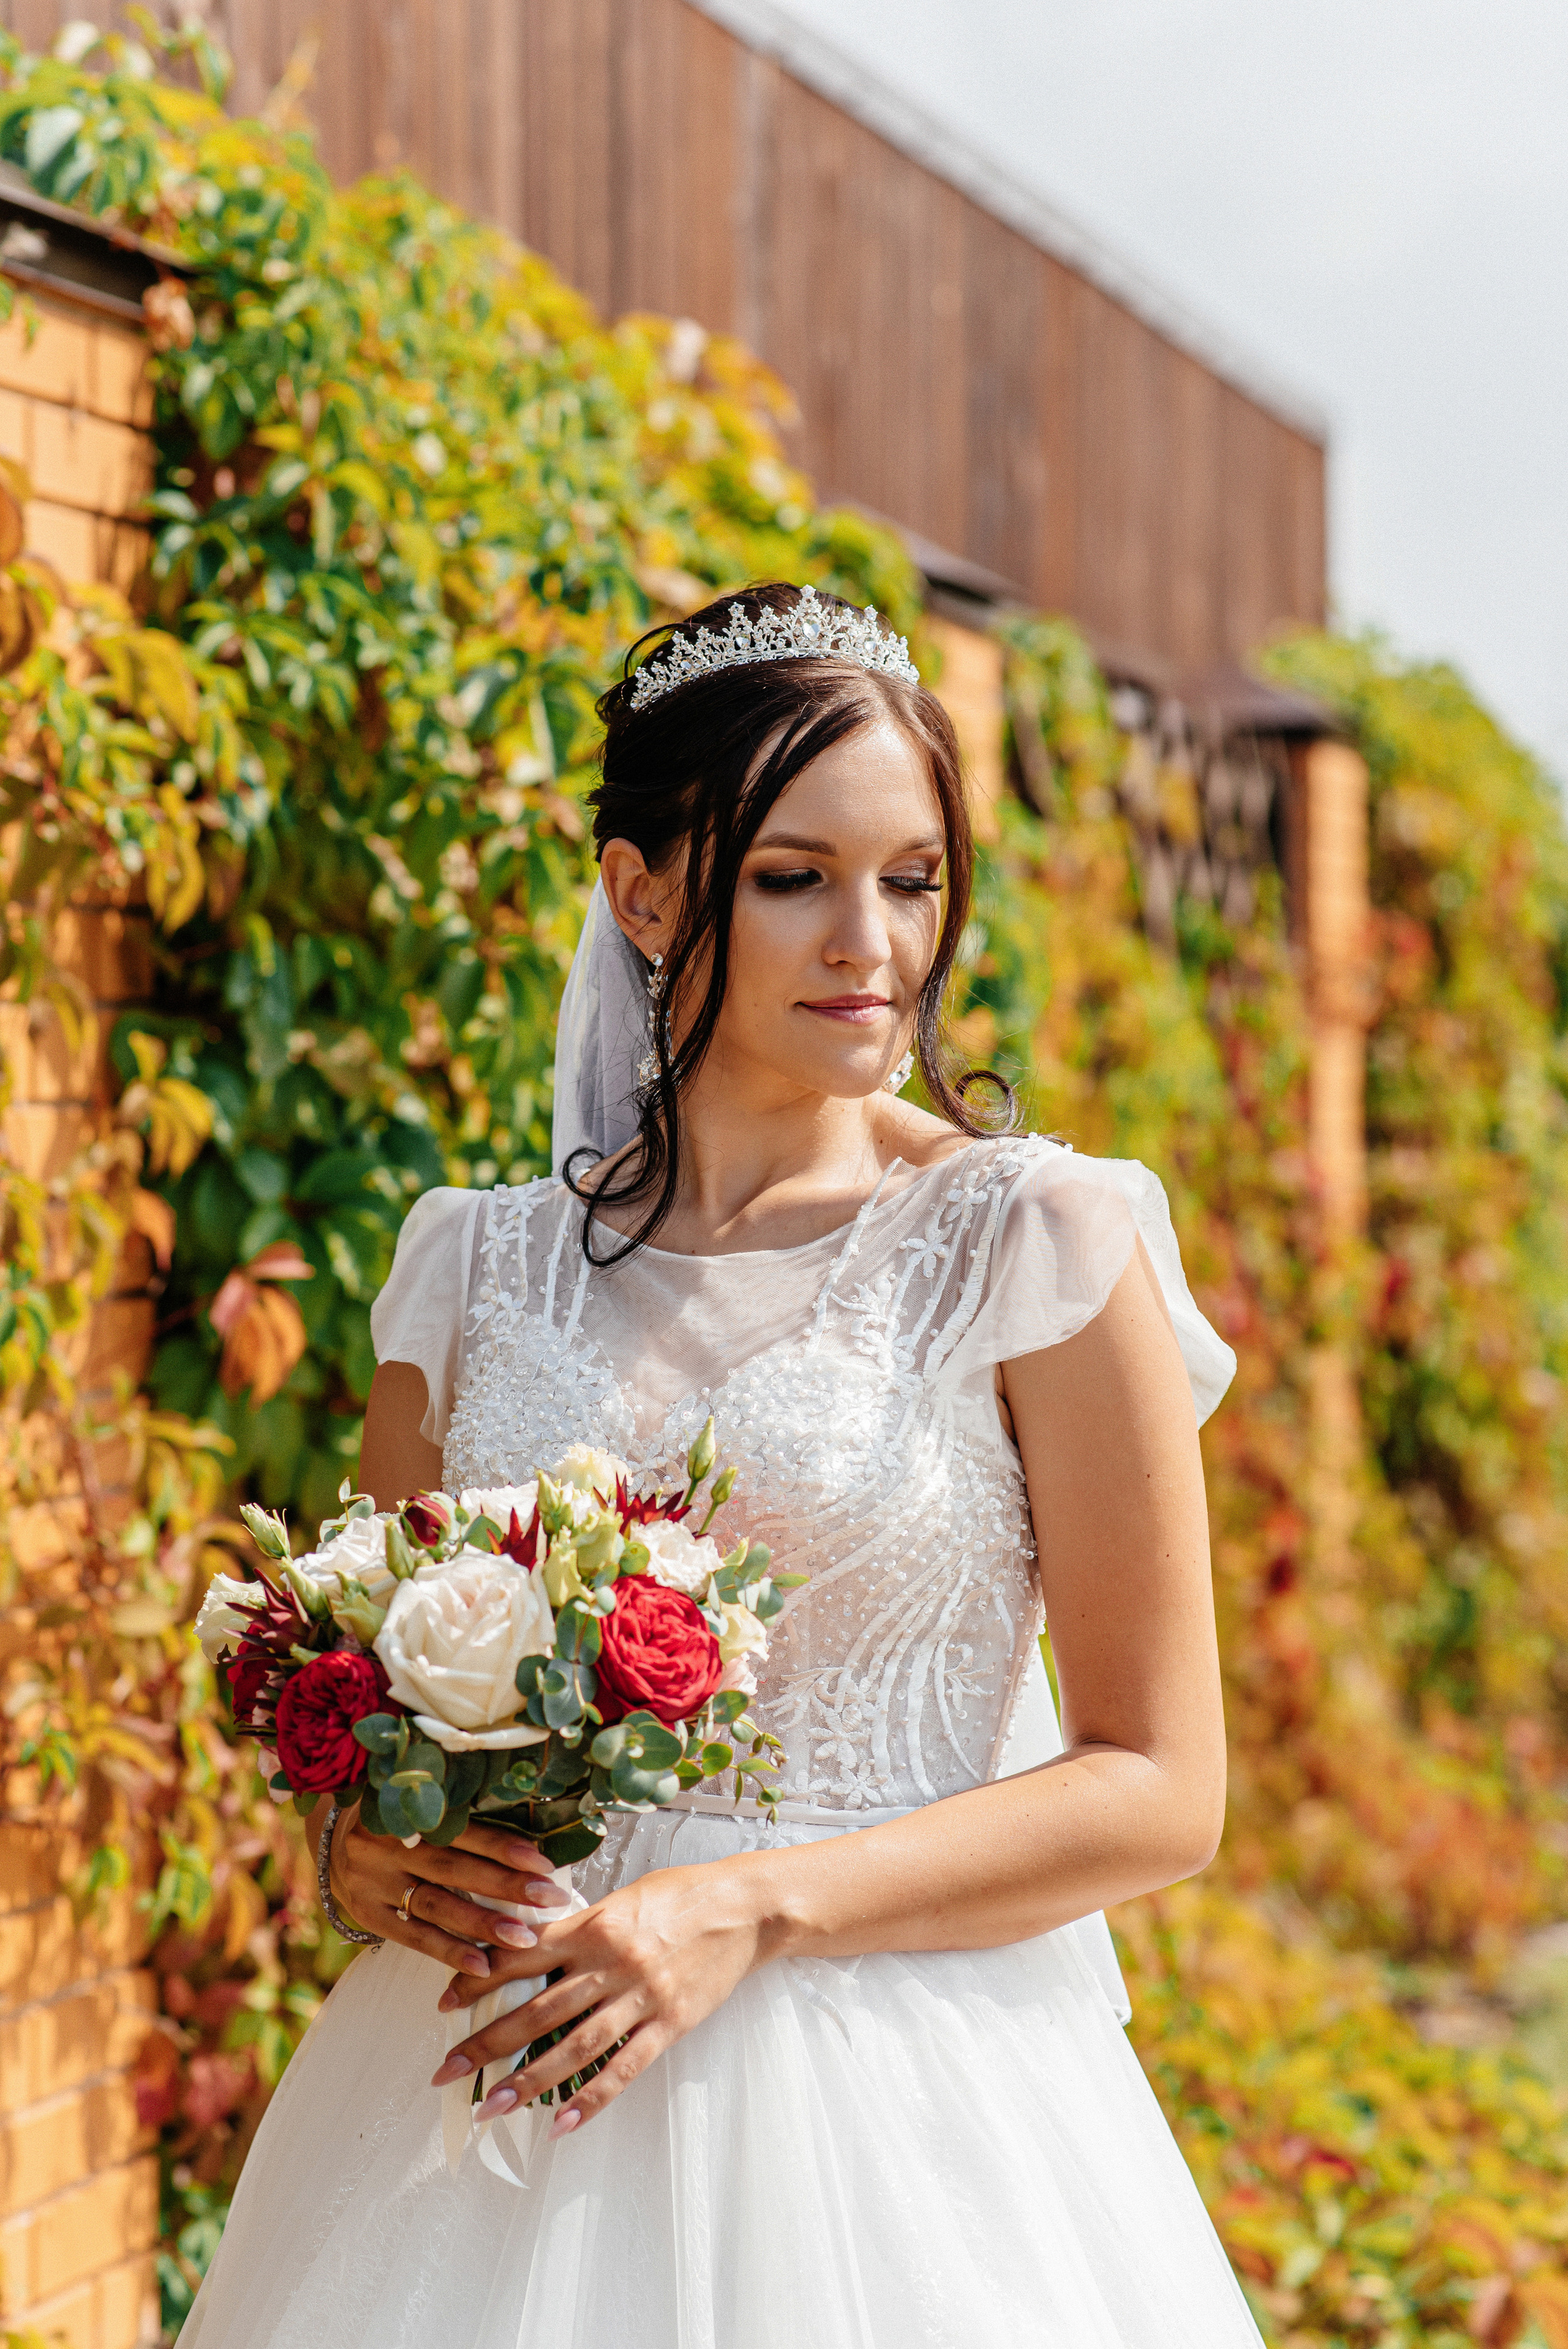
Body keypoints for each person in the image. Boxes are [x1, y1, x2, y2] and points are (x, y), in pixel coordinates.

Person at [183, 583, 1264, 2347]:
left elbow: (1161, 1781)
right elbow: (363, 1732)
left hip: (914, 2131)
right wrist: (361, 1856)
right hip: (495, 2112)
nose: (874, 941)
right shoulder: (471, 1267)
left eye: (912, 876)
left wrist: (749, 1907)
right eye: (795, 876)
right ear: (643, 889)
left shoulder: (1037, 1242)